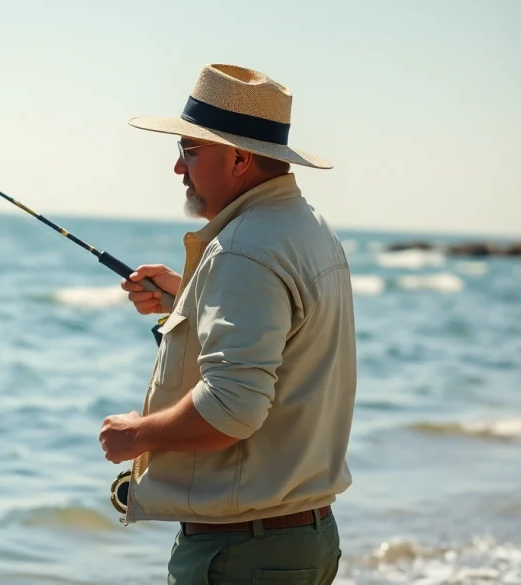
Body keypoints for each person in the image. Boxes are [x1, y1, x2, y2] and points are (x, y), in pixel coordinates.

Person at [98, 64, 357, 584]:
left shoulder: (243, 250)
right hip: (298, 540)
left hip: (244, 555)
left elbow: (232, 408)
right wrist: (188, 300)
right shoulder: (306, 227)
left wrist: (137, 436)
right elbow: (286, 344)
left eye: (189, 152)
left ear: (238, 159)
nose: (177, 169)